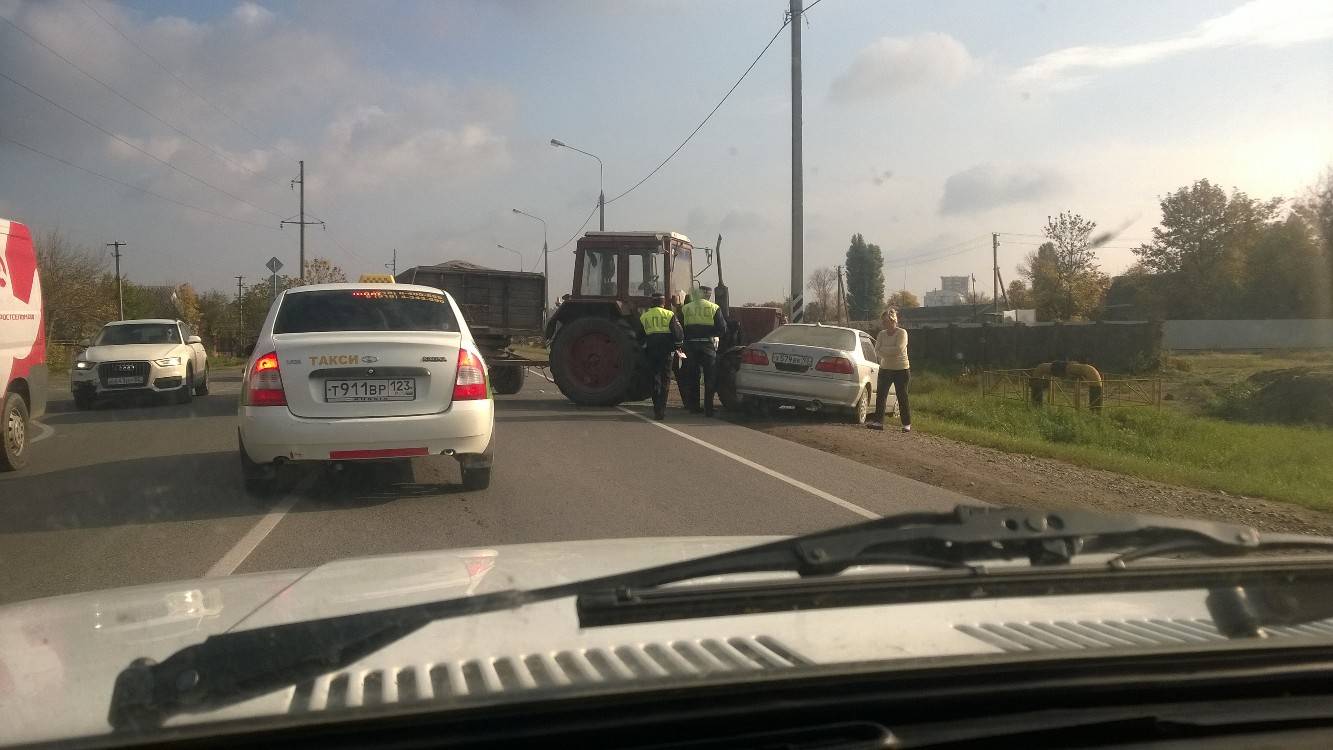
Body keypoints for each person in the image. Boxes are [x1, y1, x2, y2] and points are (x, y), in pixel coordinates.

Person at [679, 285, 726, 416]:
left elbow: (679, 328)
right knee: (710, 378)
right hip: (707, 347)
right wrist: (711, 334)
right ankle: (709, 409)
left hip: (691, 346)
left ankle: (694, 407)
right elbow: (722, 329)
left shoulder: (686, 308)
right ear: (708, 295)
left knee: (693, 377)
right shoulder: (714, 308)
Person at [640, 294, 683, 420]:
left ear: (651, 303)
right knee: (665, 380)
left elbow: (640, 336)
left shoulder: (644, 316)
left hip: (651, 352)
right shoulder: (669, 314)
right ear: (663, 303)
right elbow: (678, 333)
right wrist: (678, 346)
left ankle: (656, 407)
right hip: (666, 352)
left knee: (655, 379)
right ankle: (661, 410)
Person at [868, 308, 911, 432]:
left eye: (886, 321)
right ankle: (878, 422)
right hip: (885, 369)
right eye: (883, 322)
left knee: (902, 396)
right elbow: (877, 350)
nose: (885, 324)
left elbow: (898, 349)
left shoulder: (902, 333)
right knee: (881, 395)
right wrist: (888, 351)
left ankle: (906, 424)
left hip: (901, 369)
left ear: (893, 320)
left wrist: (885, 350)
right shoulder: (881, 334)